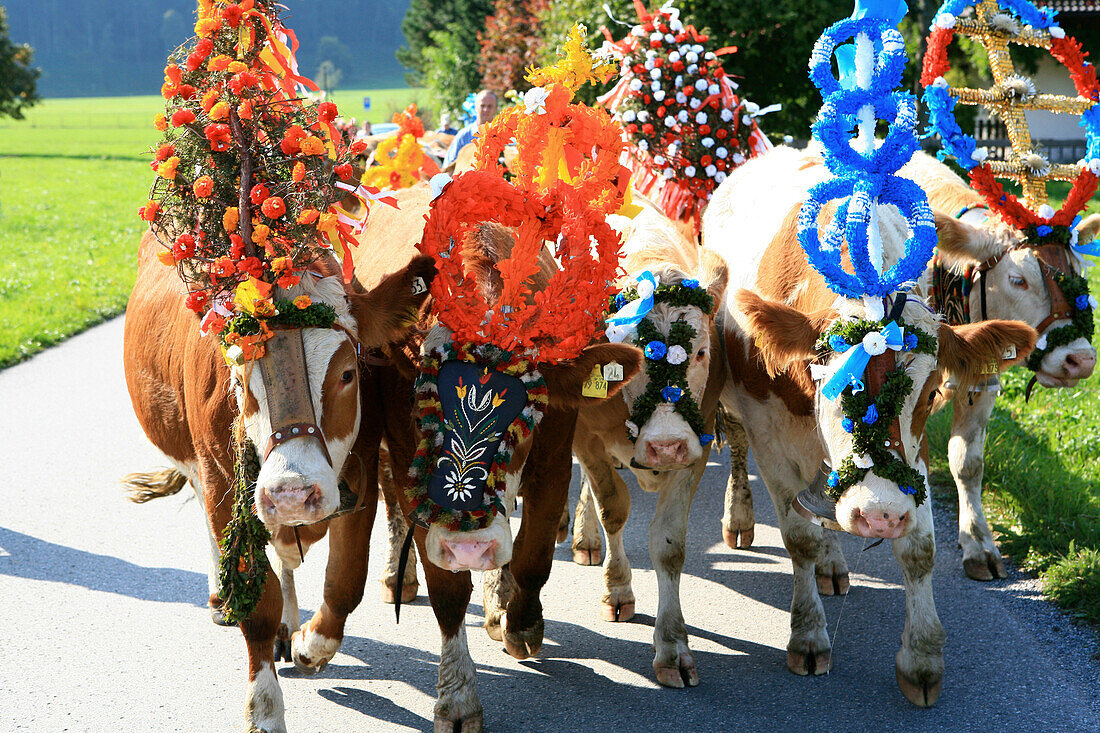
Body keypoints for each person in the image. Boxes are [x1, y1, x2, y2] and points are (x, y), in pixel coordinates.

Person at [442, 90, 498, 169]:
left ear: (496, 109)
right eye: (482, 105)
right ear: (475, 107)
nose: (486, 109)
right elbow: (448, 168)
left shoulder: (502, 136)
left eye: (490, 106)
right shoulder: (463, 136)